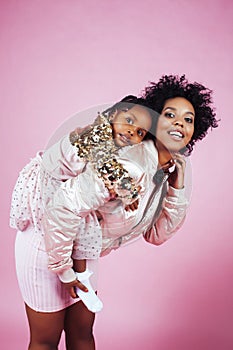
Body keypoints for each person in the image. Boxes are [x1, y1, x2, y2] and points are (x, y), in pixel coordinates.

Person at [11, 74, 218, 350]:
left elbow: (157, 234)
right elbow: (62, 206)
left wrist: (176, 188)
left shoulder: (161, 169)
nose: (180, 122)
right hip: (47, 237)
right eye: (170, 114)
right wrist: (63, 268)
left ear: (196, 130)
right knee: (46, 341)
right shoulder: (131, 165)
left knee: (82, 334)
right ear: (156, 122)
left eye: (189, 119)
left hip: (83, 242)